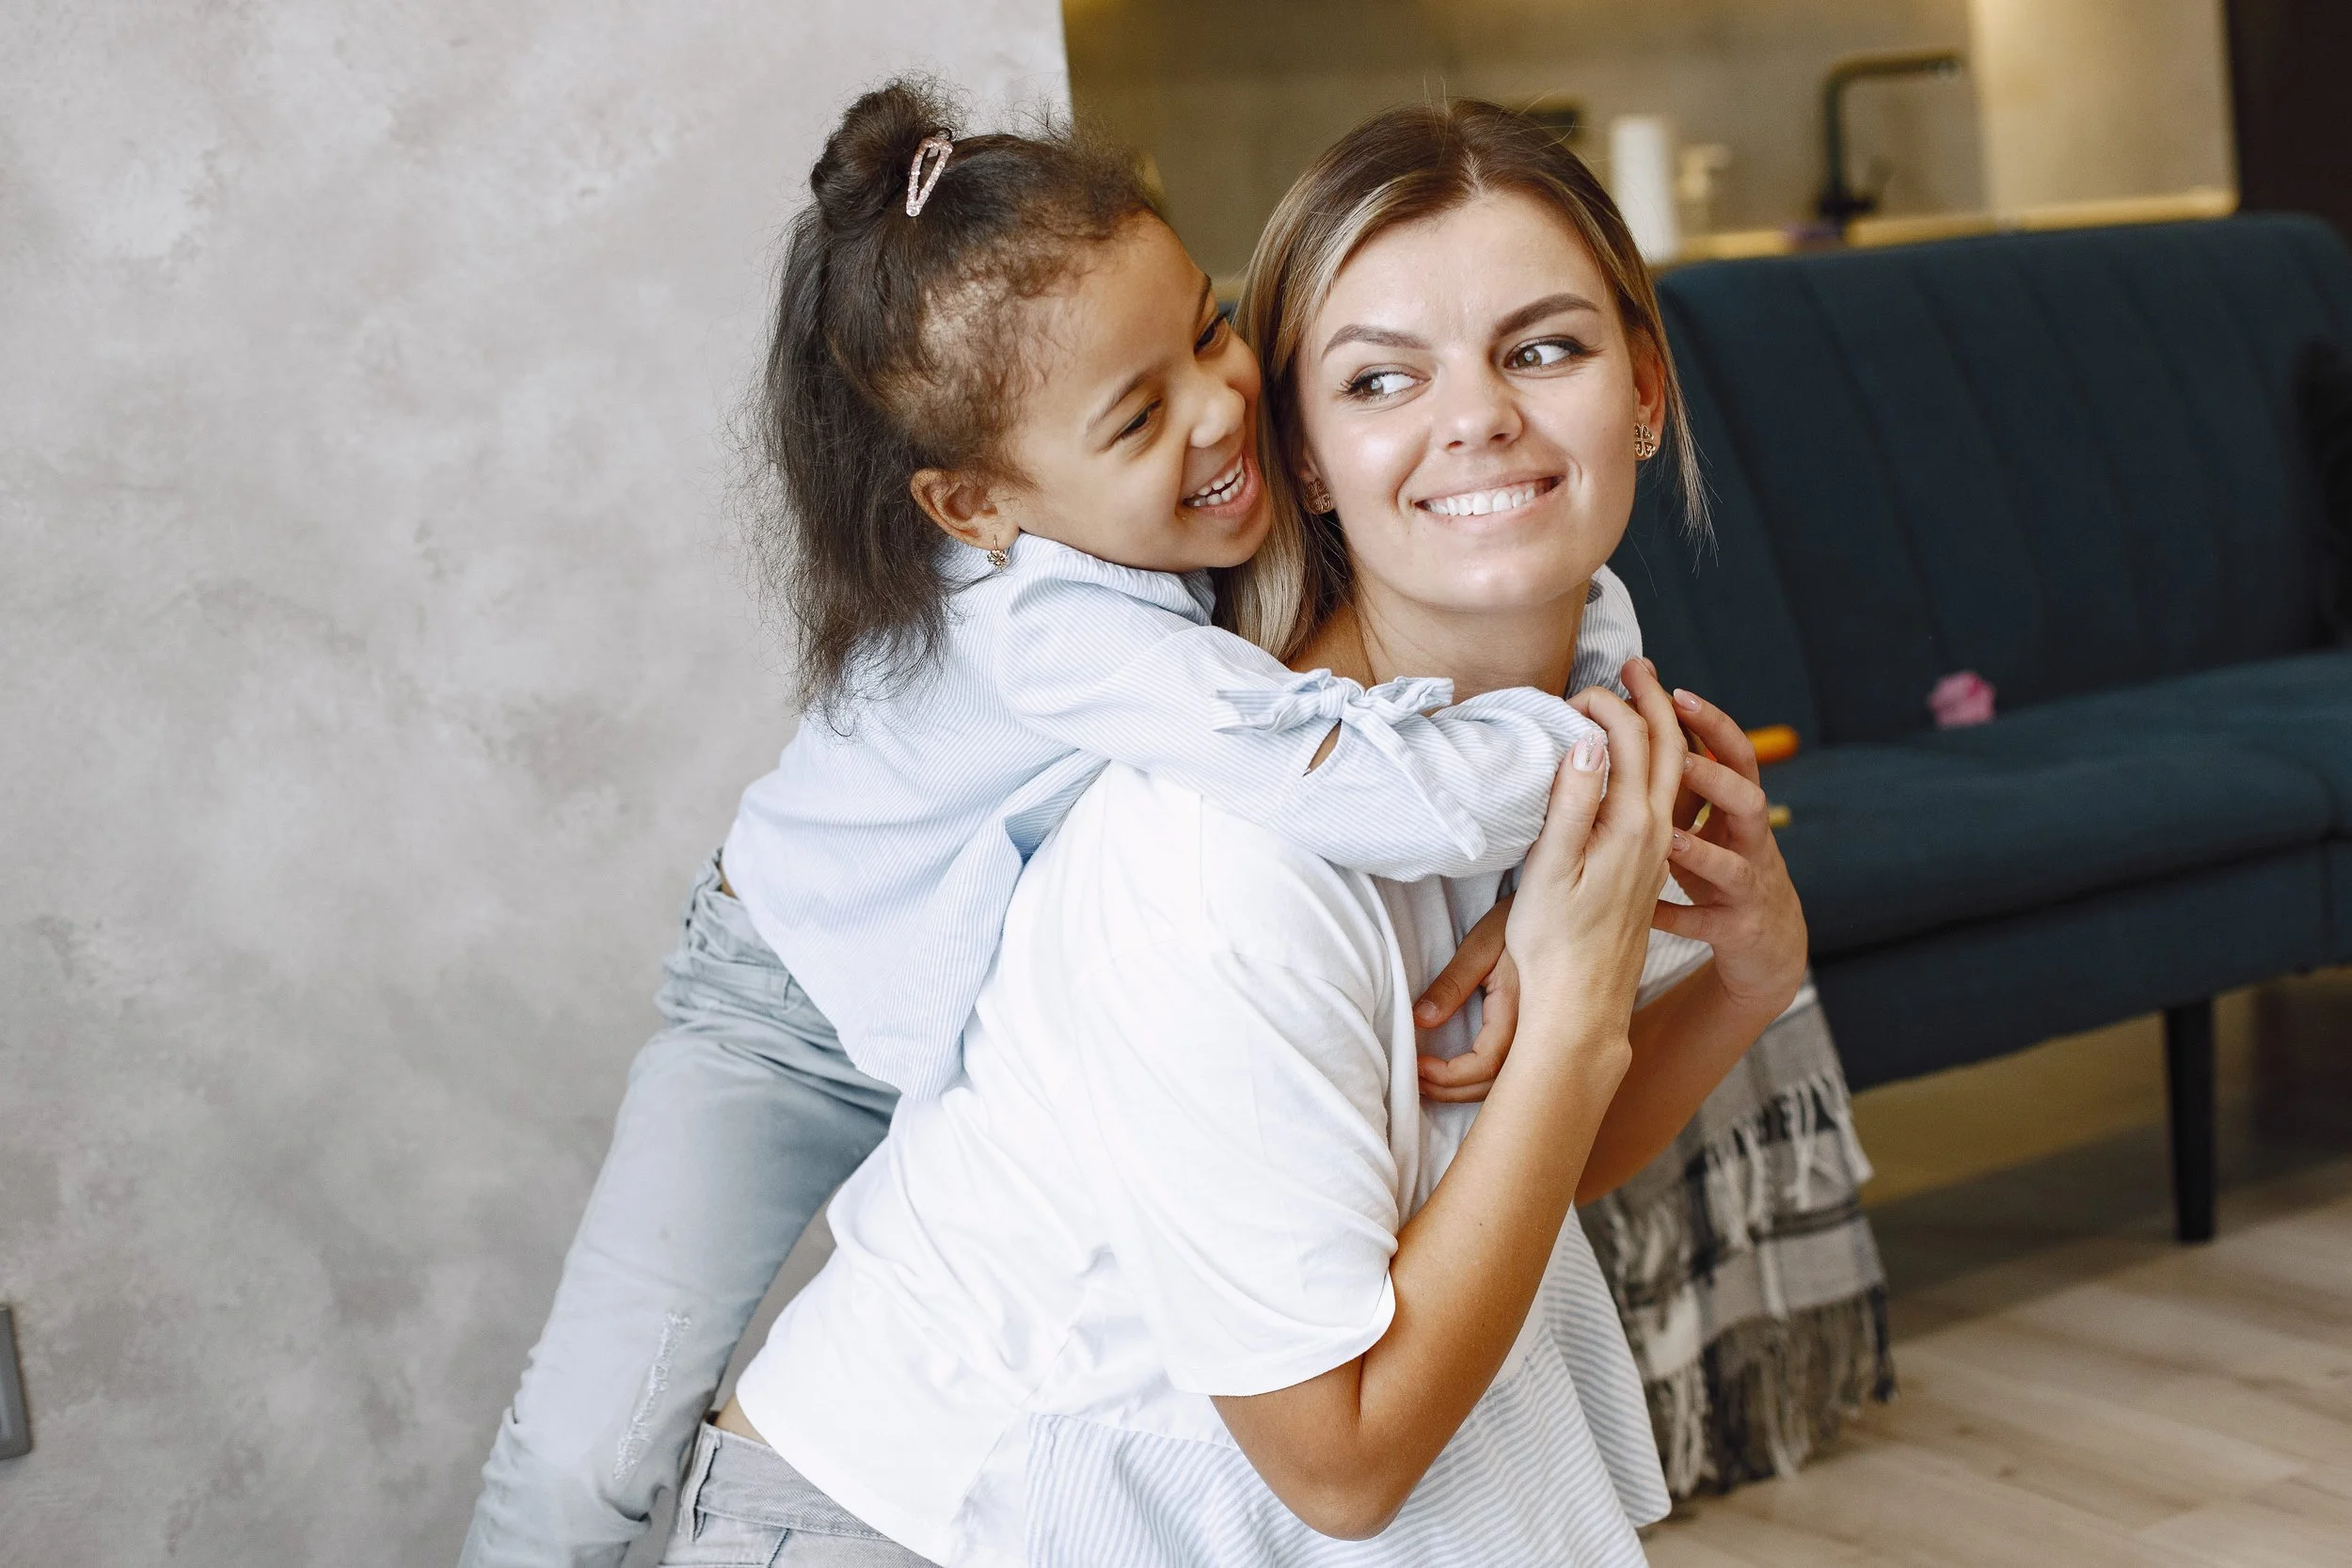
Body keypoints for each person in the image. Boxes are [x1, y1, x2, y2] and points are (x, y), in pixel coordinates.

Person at [459, 81, 1647, 1567]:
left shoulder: (1204, 526)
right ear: (975, 508)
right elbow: (1327, 772)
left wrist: (1609, 726)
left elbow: (1550, 615)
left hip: (941, 979)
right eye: (1141, 411)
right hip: (786, 1005)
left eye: (1211, 331)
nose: (1222, 408)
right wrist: (1600, 783)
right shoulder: (1064, 630)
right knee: (588, 1449)